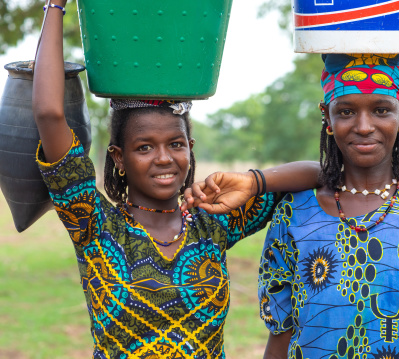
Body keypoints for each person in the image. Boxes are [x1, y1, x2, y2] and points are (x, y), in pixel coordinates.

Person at [31, 1, 320, 358]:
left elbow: (321, 173)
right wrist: (56, 5)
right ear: (119, 157)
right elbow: (48, 112)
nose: (164, 158)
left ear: (190, 148)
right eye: (144, 147)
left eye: (175, 144)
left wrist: (252, 181)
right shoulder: (94, 226)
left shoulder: (212, 222)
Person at [257, 53, 399, 359]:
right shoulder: (294, 213)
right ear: (327, 118)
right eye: (346, 112)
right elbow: (281, 342)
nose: (364, 126)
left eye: (381, 110)